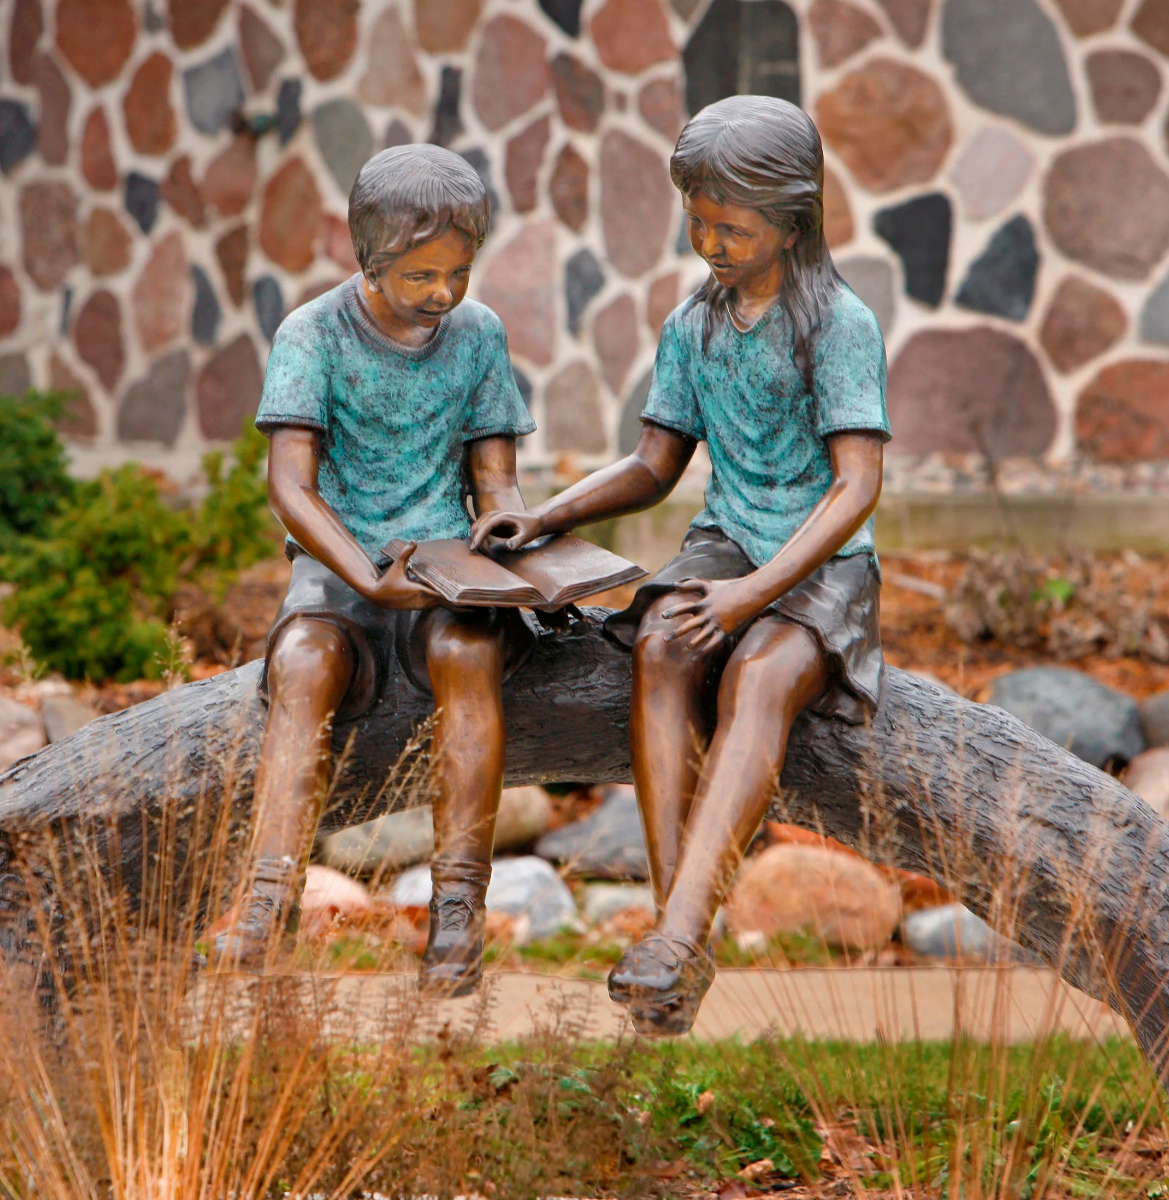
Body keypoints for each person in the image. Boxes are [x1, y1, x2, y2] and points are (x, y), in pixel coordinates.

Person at [471, 95, 890, 1033]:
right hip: (728, 537)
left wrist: (751, 594)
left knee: (761, 677)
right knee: (659, 645)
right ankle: (681, 933)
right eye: (697, 220)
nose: (710, 241)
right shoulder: (693, 325)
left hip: (817, 557)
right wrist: (544, 515)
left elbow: (855, 487)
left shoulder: (839, 325)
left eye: (731, 226)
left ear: (793, 217)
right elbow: (656, 466)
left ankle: (678, 931)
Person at [212, 144, 536, 996]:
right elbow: (291, 487)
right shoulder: (311, 334)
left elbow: (493, 473)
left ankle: (457, 914)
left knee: (470, 657)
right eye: (423, 275)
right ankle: (268, 902)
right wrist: (361, 574)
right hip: (338, 569)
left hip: (440, 568)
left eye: (459, 273)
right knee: (303, 665)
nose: (444, 294)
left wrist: (503, 516)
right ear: (371, 258)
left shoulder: (478, 337)